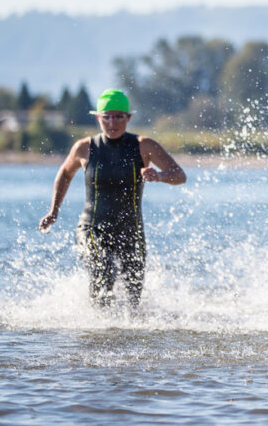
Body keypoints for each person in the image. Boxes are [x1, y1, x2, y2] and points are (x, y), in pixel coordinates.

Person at [39, 88, 186, 307]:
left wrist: (159, 175)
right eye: (106, 117)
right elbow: (64, 174)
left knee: (133, 294)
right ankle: (98, 329)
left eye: (118, 116)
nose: (112, 122)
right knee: (103, 269)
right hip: (92, 228)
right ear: (98, 118)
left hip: (131, 229)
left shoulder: (144, 146)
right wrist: (54, 210)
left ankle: (125, 335)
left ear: (128, 118)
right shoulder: (84, 148)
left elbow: (179, 175)